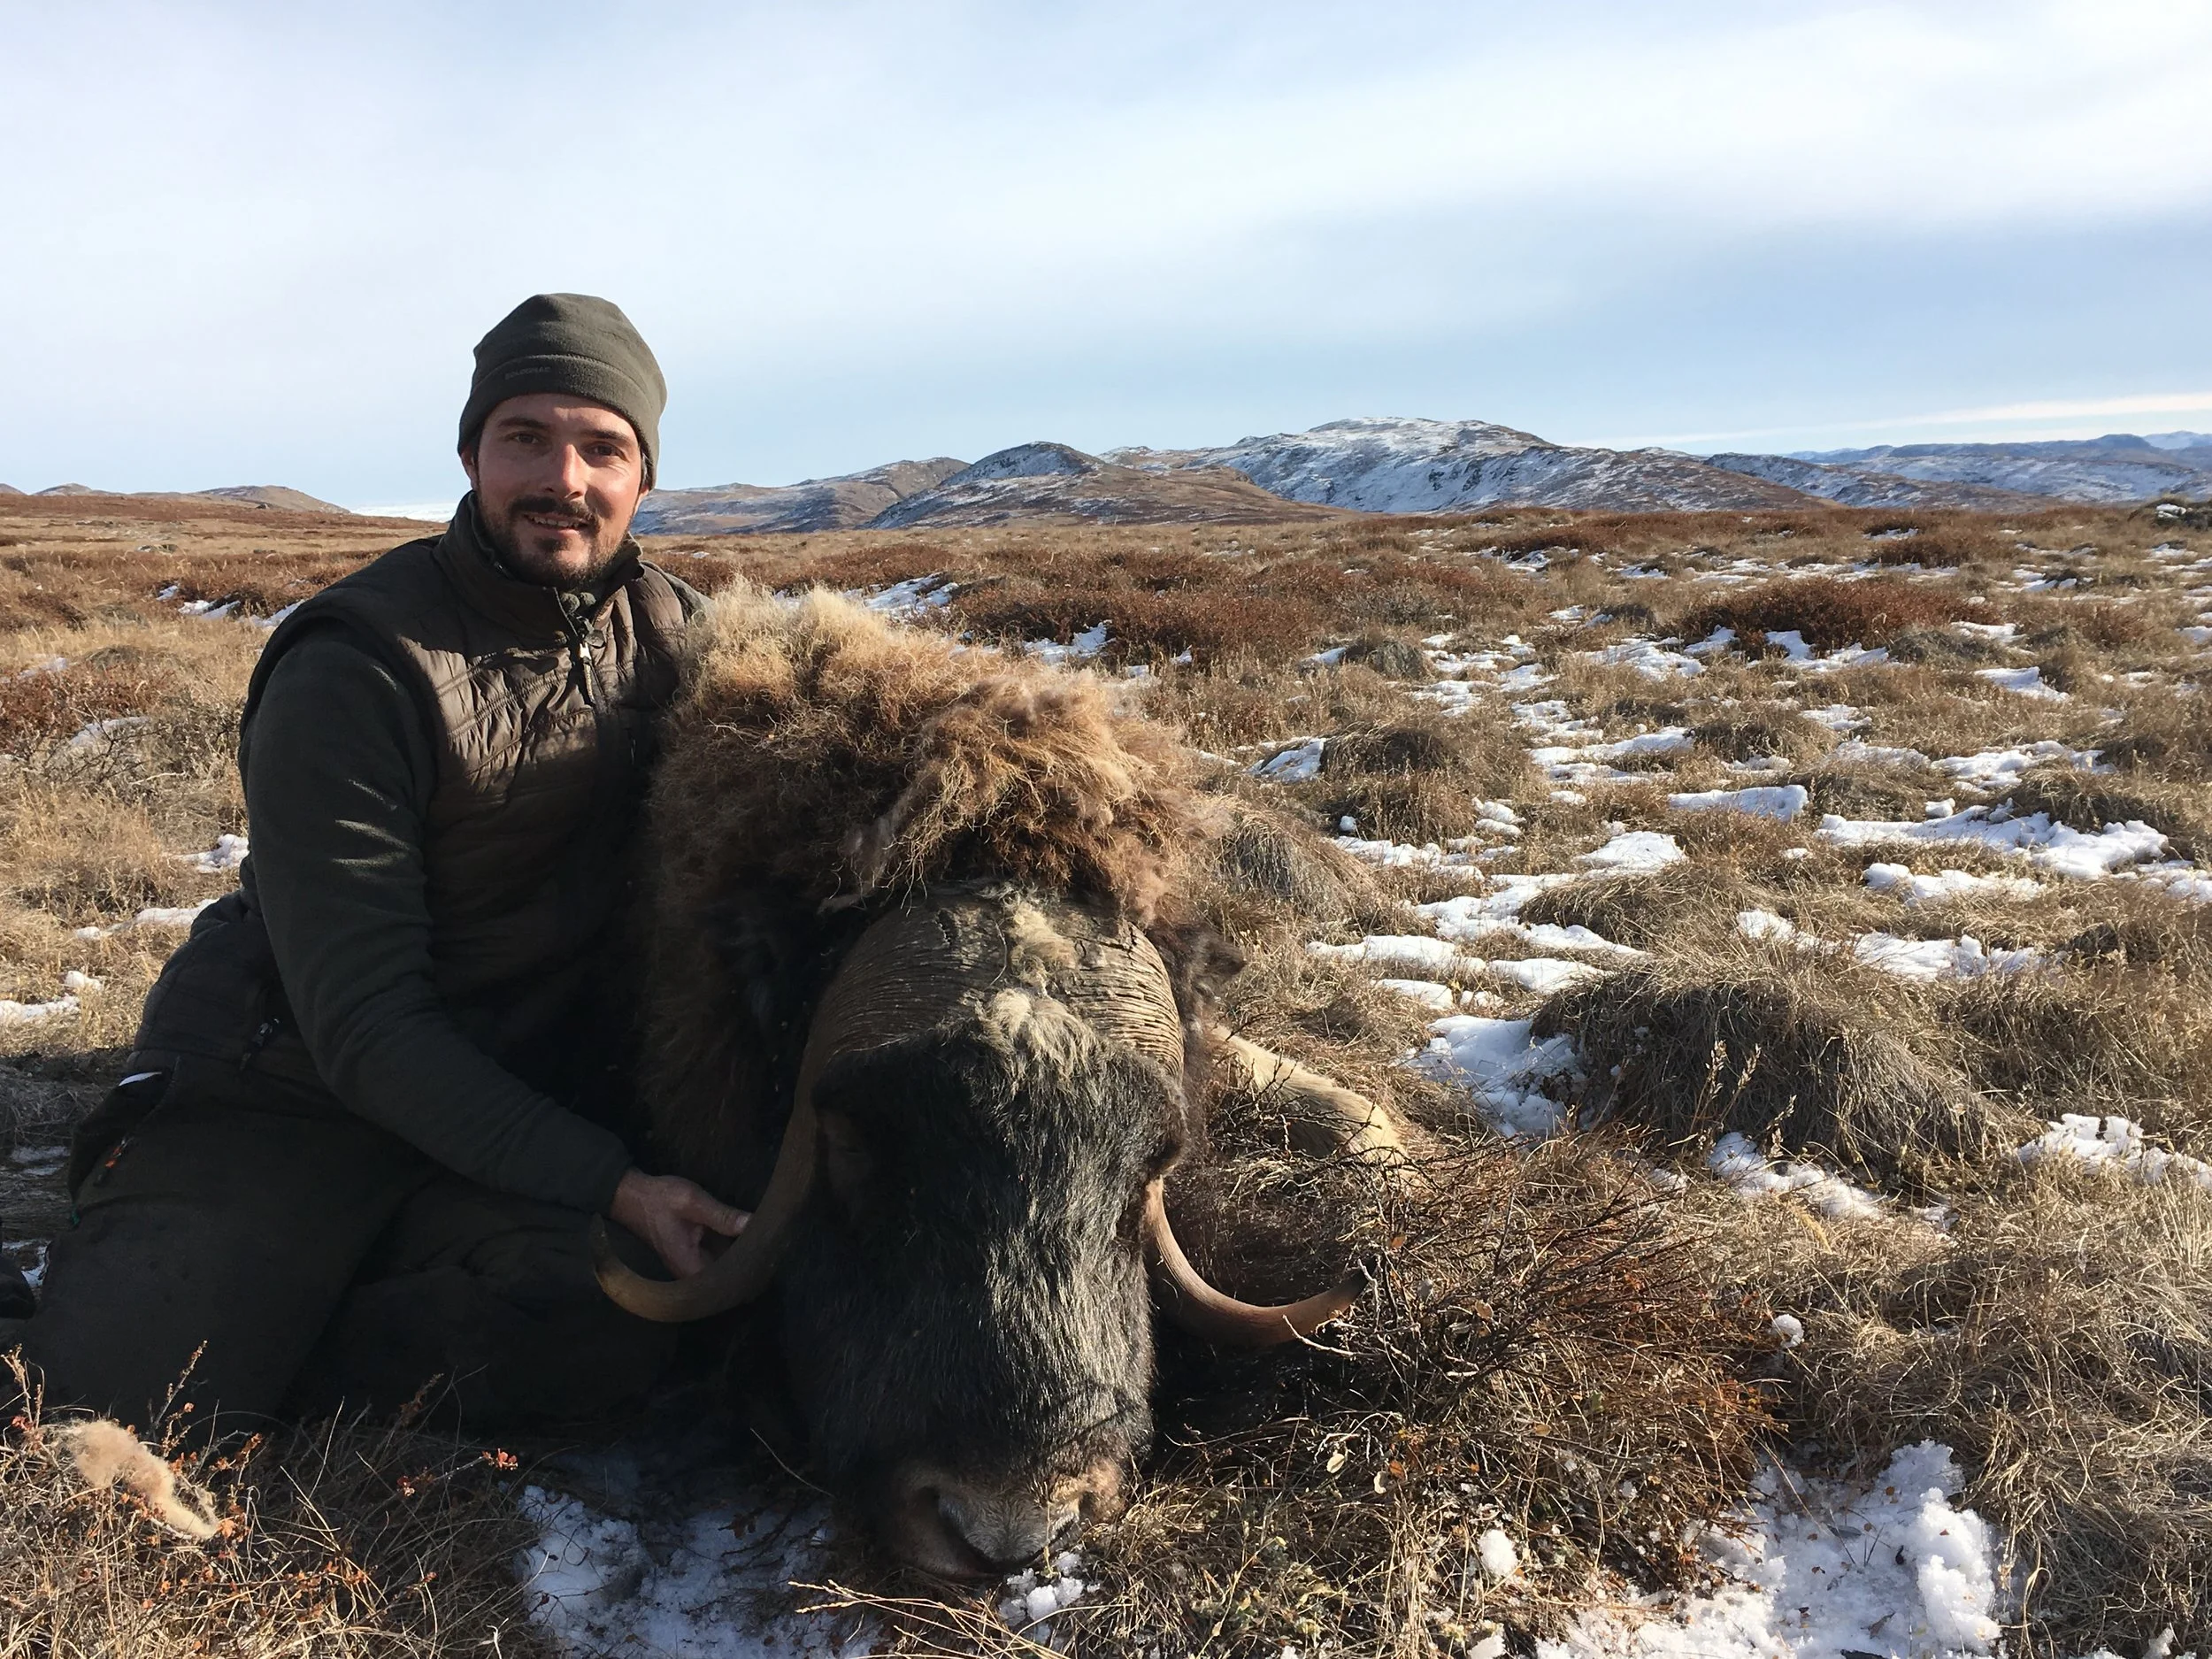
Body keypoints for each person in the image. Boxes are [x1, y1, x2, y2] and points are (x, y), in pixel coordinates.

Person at [2, 294, 745, 1433]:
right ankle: (175, 1286)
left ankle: (291, 1321)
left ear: (644, 475)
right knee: (107, 1421)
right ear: (471, 455)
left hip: (509, 1084)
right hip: (286, 1083)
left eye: (603, 446)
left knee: (620, 1318)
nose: (564, 478)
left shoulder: (683, 638)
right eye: (525, 438)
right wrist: (614, 1181)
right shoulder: (357, 663)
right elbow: (363, 1021)